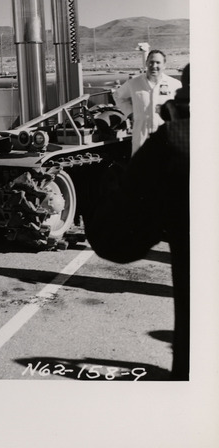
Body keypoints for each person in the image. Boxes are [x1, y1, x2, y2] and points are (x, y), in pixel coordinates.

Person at [84, 65, 190, 380]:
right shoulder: (136, 85)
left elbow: (117, 242)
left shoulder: (176, 140)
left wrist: (106, 183)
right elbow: (120, 100)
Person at [113, 49, 181, 154]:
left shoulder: (174, 84)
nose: (154, 65)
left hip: (165, 138)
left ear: (164, 65)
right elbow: (118, 96)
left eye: (158, 62)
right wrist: (130, 112)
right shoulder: (133, 83)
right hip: (141, 138)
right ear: (146, 63)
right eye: (151, 62)